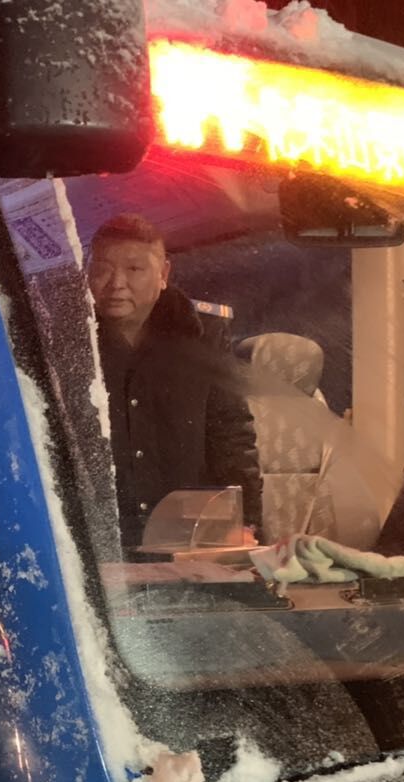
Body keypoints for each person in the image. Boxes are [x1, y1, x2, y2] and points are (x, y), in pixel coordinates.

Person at [86, 213, 262, 548]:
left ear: (163, 274)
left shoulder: (202, 336)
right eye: (103, 269)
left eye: (134, 269)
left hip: (189, 537)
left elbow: (231, 435)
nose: (117, 283)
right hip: (100, 540)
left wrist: (246, 524)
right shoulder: (68, 343)